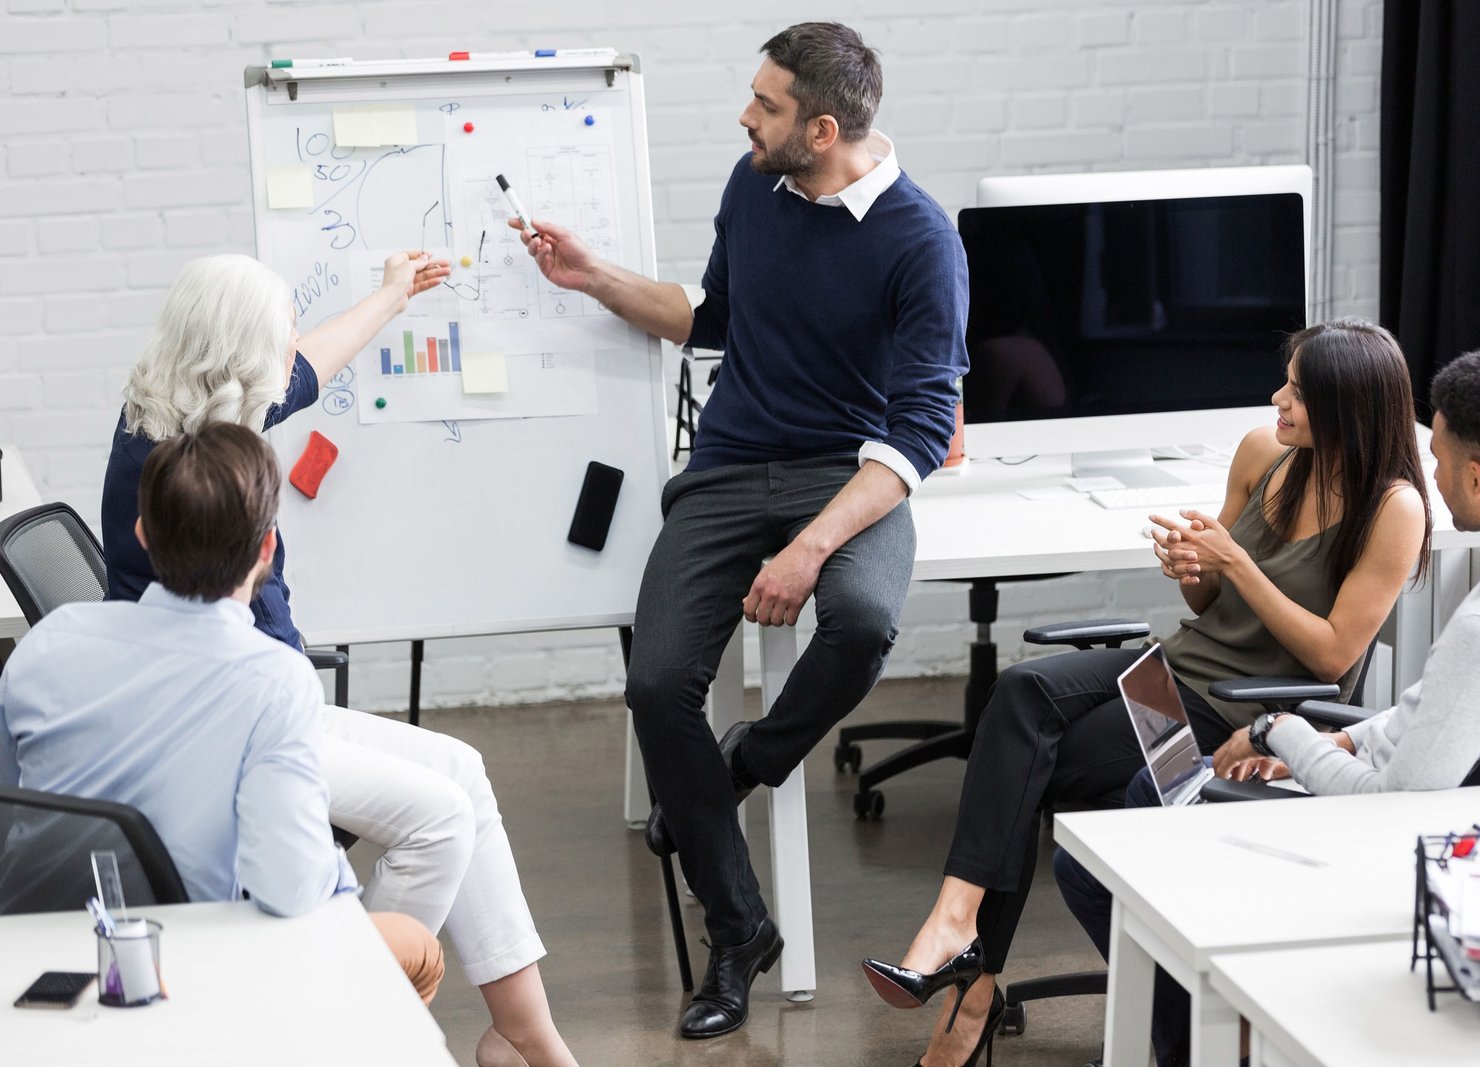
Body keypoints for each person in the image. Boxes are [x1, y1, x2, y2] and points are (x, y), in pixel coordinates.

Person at [513, 22, 968, 1039]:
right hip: (724, 471)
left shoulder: (921, 241)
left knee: (858, 623)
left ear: (819, 127)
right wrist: (595, 277)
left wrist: (809, 545)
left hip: (848, 476)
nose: (742, 117)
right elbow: (717, 316)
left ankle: (743, 762)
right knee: (654, 680)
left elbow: (925, 431)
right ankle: (740, 928)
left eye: (763, 106)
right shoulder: (751, 189)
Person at [862, 318, 1433, 1067]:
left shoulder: (1393, 508)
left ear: (1345, 404)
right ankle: (954, 928)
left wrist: (1236, 562)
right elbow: (1208, 605)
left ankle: (976, 988)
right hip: (1179, 664)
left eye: (1295, 391)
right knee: (1022, 692)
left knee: (1033, 768)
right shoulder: (1265, 454)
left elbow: (1333, 652)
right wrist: (1193, 569)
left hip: (1242, 708)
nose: (1276, 399)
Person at [101, 254, 578, 1067]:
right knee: (438, 819)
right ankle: (343, 1022)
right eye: (280, 339)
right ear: (242, 359)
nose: (293, 350)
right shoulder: (189, 468)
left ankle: (523, 1035)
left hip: (264, 695)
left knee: (461, 770)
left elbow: (312, 363)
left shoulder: (197, 405)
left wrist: (392, 295)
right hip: (233, 720)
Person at [1055, 345, 1480, 1067]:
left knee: (1099, 849)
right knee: (1157, 784)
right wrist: (1345, 740)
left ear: (1479, 478)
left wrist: (1279, 731)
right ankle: (1217, 1030)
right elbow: (1430, 714)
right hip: (1375, 769)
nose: (1432, 473)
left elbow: (1393, 804)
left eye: (1444, 458)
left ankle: (1196, 1045)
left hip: (1376, 828)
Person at [1, 425, 444, 1004]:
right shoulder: (274, 681)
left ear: (141, 534)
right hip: (192, 958)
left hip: (45, 943)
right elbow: (287, 890)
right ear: (266, 549)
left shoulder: (45, 644)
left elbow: (14, 813)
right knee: (414, 946)